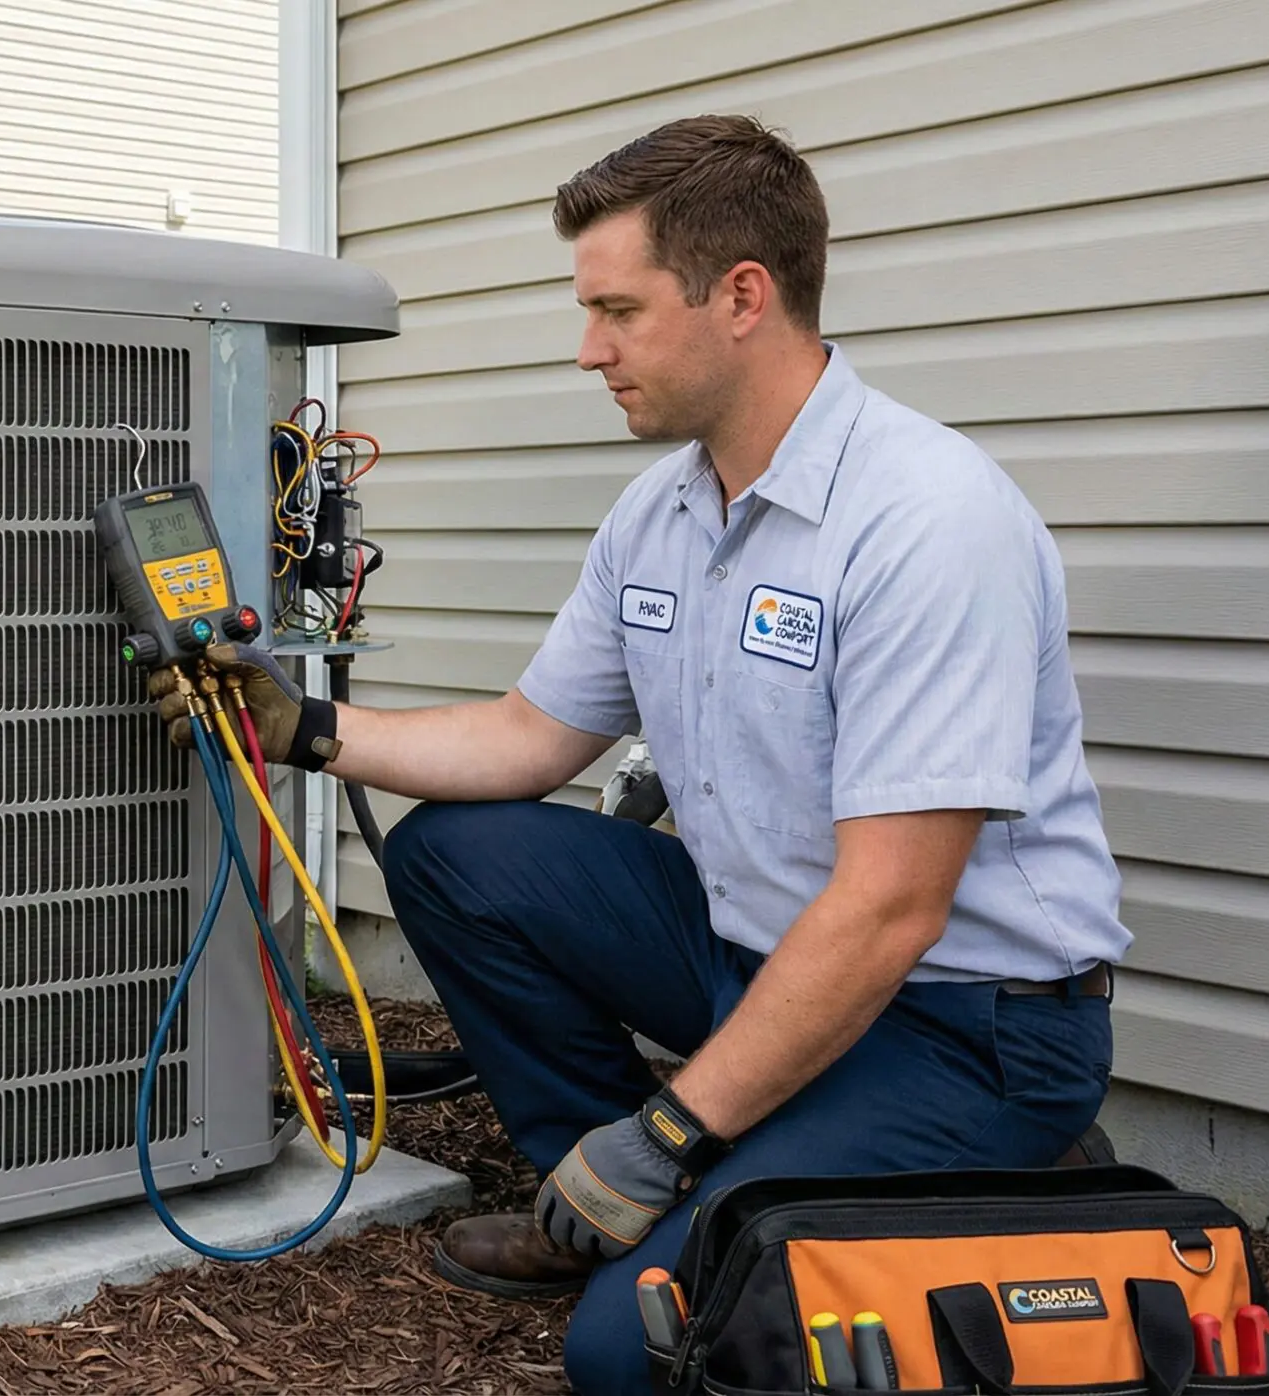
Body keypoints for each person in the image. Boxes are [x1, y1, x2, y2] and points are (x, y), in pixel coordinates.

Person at [150, 114, 1126, 1390]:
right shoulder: (665, 507)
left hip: (962, 1024)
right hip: (751, 953)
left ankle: (931, 1168)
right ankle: (590, 1192)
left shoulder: (927, 525)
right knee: (460, 854)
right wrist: (305, 728)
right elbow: (527, 736)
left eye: (617, 309)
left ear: (740, 297)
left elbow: (891, 908)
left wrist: (670, 1125)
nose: (588, 349)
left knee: (634, 1348)